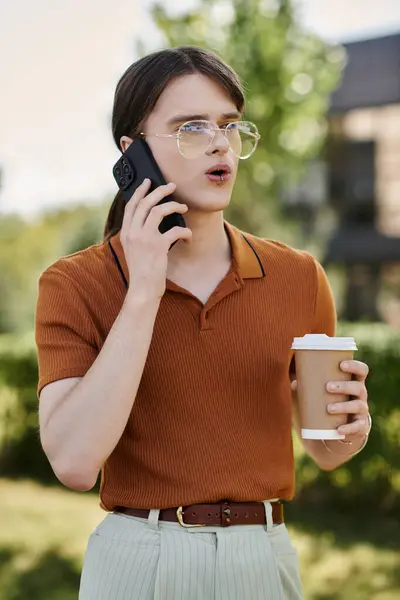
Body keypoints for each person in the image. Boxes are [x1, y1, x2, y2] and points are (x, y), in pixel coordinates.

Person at [35, 46, 372, 600]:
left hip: (263, 557)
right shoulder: (75, 285)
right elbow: (73, 463)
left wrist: (349, 434)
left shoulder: (298, 277)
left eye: (229, 125)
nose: (220, 143)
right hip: (139, 559)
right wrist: (143, 288)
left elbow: (325, 447)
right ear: (133, 153)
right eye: (190, 127)